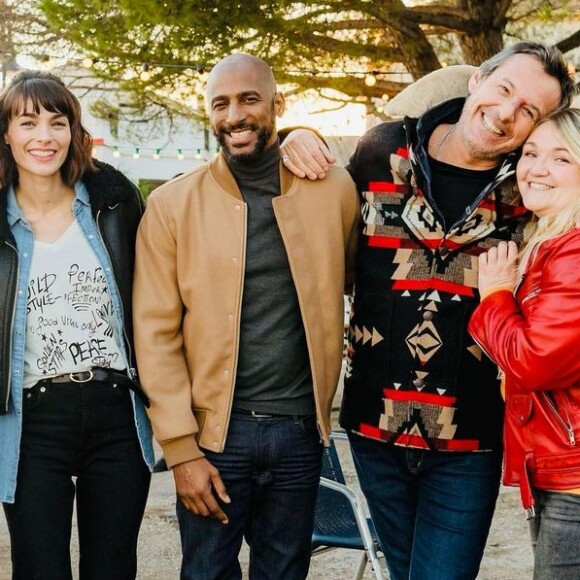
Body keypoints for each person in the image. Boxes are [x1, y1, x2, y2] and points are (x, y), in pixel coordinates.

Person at [279, 41, 576, 579]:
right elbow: (319, 211)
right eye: (504, 89)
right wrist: (291, 138)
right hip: (375, 428)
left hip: (471, 439)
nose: (507, 112)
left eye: (529, 110)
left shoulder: (531, 190)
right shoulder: (381, 151)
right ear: (476, 82)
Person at [132, 53, 359, 580]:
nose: (234, 114)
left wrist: (308, 136)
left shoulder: (335, 191)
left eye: (249, 99)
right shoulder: (171, 205)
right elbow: (154, 333)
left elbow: (348, 277)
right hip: (215, 437)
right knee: (207, 572)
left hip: (300, 432)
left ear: (278, 104)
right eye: (221, 103)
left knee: (284, 573)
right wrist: (181, 451)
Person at [0, 70, 154, 580]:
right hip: (31, 420)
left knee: (112, 569)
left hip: (116, 414)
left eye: (56, 121)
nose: (44, 136)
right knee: (39, 569)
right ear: (6, 133)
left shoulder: (115, 200)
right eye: (27, 122)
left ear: (73, 131)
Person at [469, 108, 580, 580]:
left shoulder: (574, 251)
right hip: (559, 470)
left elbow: (535, 363)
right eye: (530, 153)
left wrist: (494, 294)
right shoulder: (546, 242)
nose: (536, 168)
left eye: (560, 158)